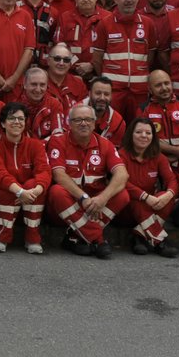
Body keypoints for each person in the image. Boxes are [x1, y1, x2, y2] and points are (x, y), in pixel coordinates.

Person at [43, 104, 129, 259]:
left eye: (88, 119)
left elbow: (122, 174)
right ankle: (98, 239)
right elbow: (58, 175)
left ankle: (75, 236)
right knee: (56, 191)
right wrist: (83, 198)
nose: (84, 123)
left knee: (122, 194)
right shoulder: (59, 141)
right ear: (69, 123)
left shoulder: (105, 144)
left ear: (94, 122)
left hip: (95, 205)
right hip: (66, 207)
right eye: (78, 120)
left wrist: (102, 198)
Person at [0, 102, 51, 252]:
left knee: (34, 183)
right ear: (3, 123)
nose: (17, 122)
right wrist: (20, 192)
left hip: (30, 200)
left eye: (21, 119)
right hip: (0, 202)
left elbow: (44, 171)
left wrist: (35, 190)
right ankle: (3, 235)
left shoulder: (36, 145)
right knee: (6, 185)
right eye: (12, 118)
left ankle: (32, 236)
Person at [118, 118, 179, 257]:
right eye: (139, 132)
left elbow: (172, 180)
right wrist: (144, 196)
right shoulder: (121, 155)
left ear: (153, 136)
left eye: (148, 132)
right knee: (134, 199)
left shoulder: (158, 157)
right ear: (131, 135)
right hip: (127, 209)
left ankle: (139, 235)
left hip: (149, 207)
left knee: (166, 196)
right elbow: (121, 182)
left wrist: (169, 194)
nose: (144, 136)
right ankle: (160, 241)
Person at [103, 0, 157, 121]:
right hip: (113, 90)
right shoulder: (105, 23)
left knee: (138, 126)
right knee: (112, 125)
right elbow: (97, 58)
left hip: (139, 90)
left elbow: (149, 55)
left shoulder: (148, 23)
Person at [138, 69, 179, 162]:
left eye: (167, 83)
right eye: (158, 85)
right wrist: (175, 151)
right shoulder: (143, 110)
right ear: (150, 89)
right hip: (158, 160)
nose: (164, 88)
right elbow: (143, 139)